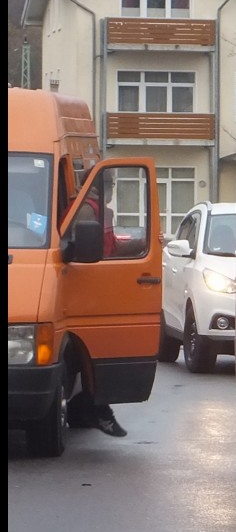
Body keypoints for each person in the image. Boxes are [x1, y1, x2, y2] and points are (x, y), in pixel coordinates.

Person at [66, 173, 128, 438]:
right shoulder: (86, 213)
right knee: (95, 356)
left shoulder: (99, 211)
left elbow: (109, 248)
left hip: (99, 289)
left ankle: (84, 411)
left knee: (91, 358)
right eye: (109, 184)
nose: (111, 189)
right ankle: (99, 412)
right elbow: (85, 252)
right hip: (87, 294)